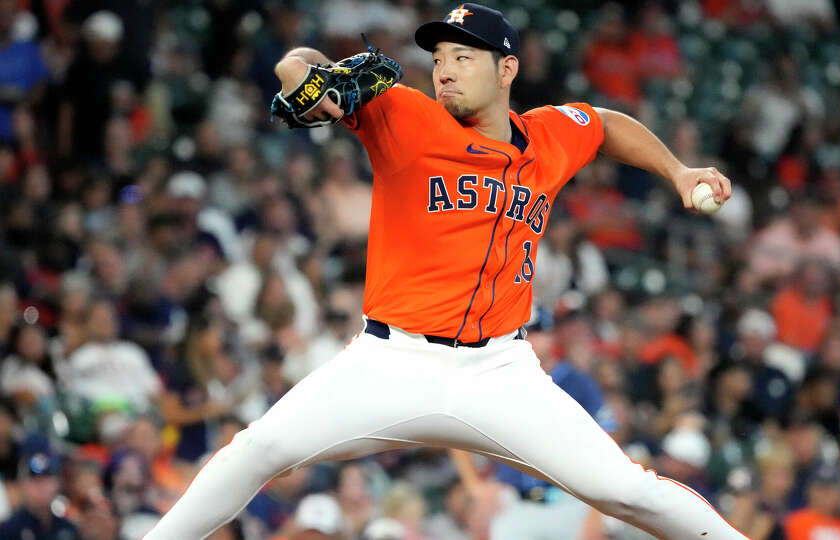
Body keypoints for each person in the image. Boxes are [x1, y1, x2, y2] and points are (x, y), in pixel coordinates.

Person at [144, 4, 742, 539]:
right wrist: (312, 68)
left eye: (463, 56)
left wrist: (678, 171)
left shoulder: (550, 136)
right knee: (257, 450)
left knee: (626, 491)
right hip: (391, 361)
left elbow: (606, 125)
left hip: (501, 370)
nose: (445, 69)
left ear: (507, 70)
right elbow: (297, 71)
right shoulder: (404, 116)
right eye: (437, 58)